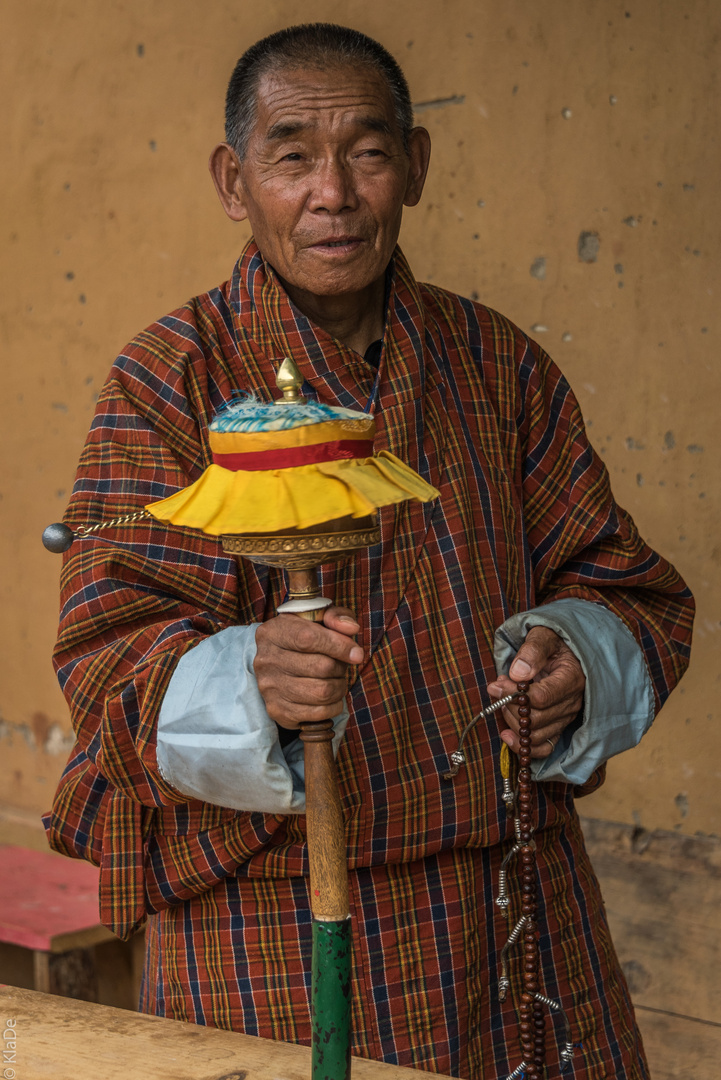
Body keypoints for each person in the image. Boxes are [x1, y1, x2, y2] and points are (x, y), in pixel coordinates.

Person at [44, 23, 693, 1080]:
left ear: (416, 168)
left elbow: (619, 580)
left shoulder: (496, 364)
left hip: (508, 911)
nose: (332, 193)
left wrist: (575, 657)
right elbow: (108, 650)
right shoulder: (170, 378)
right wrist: (250, 677)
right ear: (235, 180)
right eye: (292, 155)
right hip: (276, 916)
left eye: (369, 151)